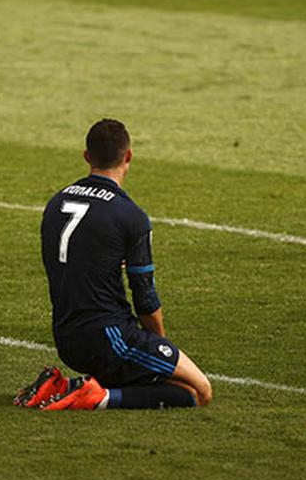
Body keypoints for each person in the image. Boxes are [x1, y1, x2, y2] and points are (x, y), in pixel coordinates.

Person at [14, 119, 213, 411]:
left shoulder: (56, 203)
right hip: (109, 339)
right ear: (129, 156)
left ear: (86, 156)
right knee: (199, 391)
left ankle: (64, 386)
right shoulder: (130, 215)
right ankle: (98, 397)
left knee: (173, 389)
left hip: (66, 336)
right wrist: (160, 347)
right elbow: (145, 297)